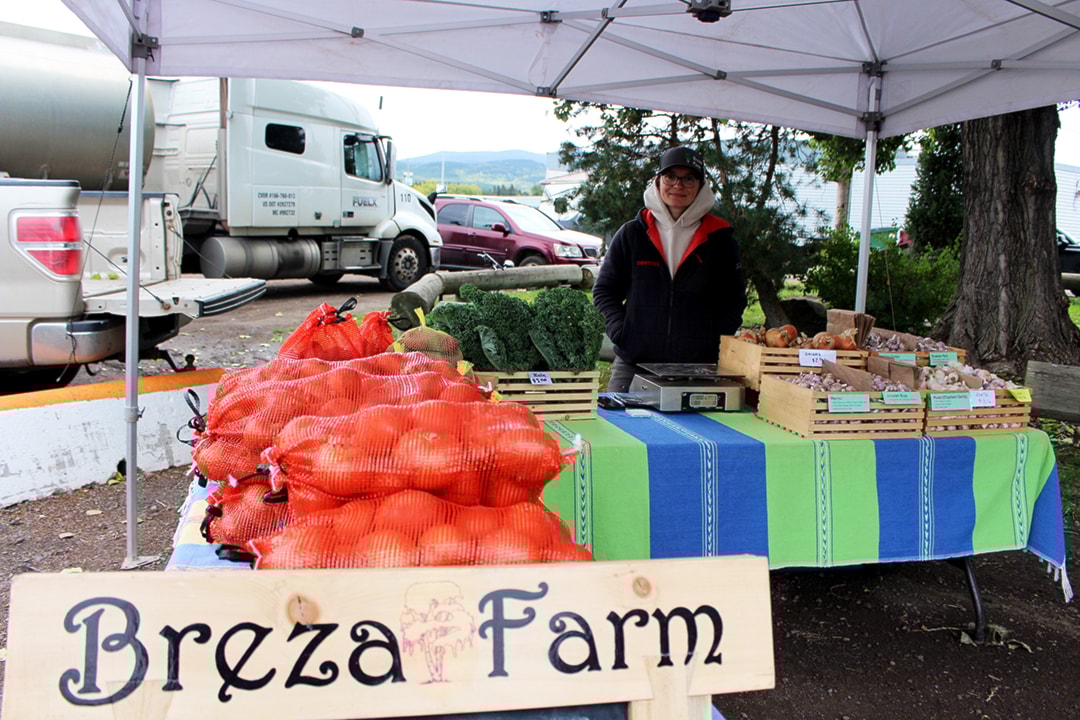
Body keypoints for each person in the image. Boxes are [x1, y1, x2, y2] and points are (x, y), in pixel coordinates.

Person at [592, 146, 747, 393]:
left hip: (699, 368)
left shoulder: (720, 240)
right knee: (620, 429)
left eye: (689, 178)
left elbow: (734, 299)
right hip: (633, 365)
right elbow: (604, 291)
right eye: (670, 177)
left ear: (701, 185)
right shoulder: (632, 234)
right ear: (658, 181)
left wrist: (713, 338)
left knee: (698, 432)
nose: (678, 185)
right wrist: (621, 331)